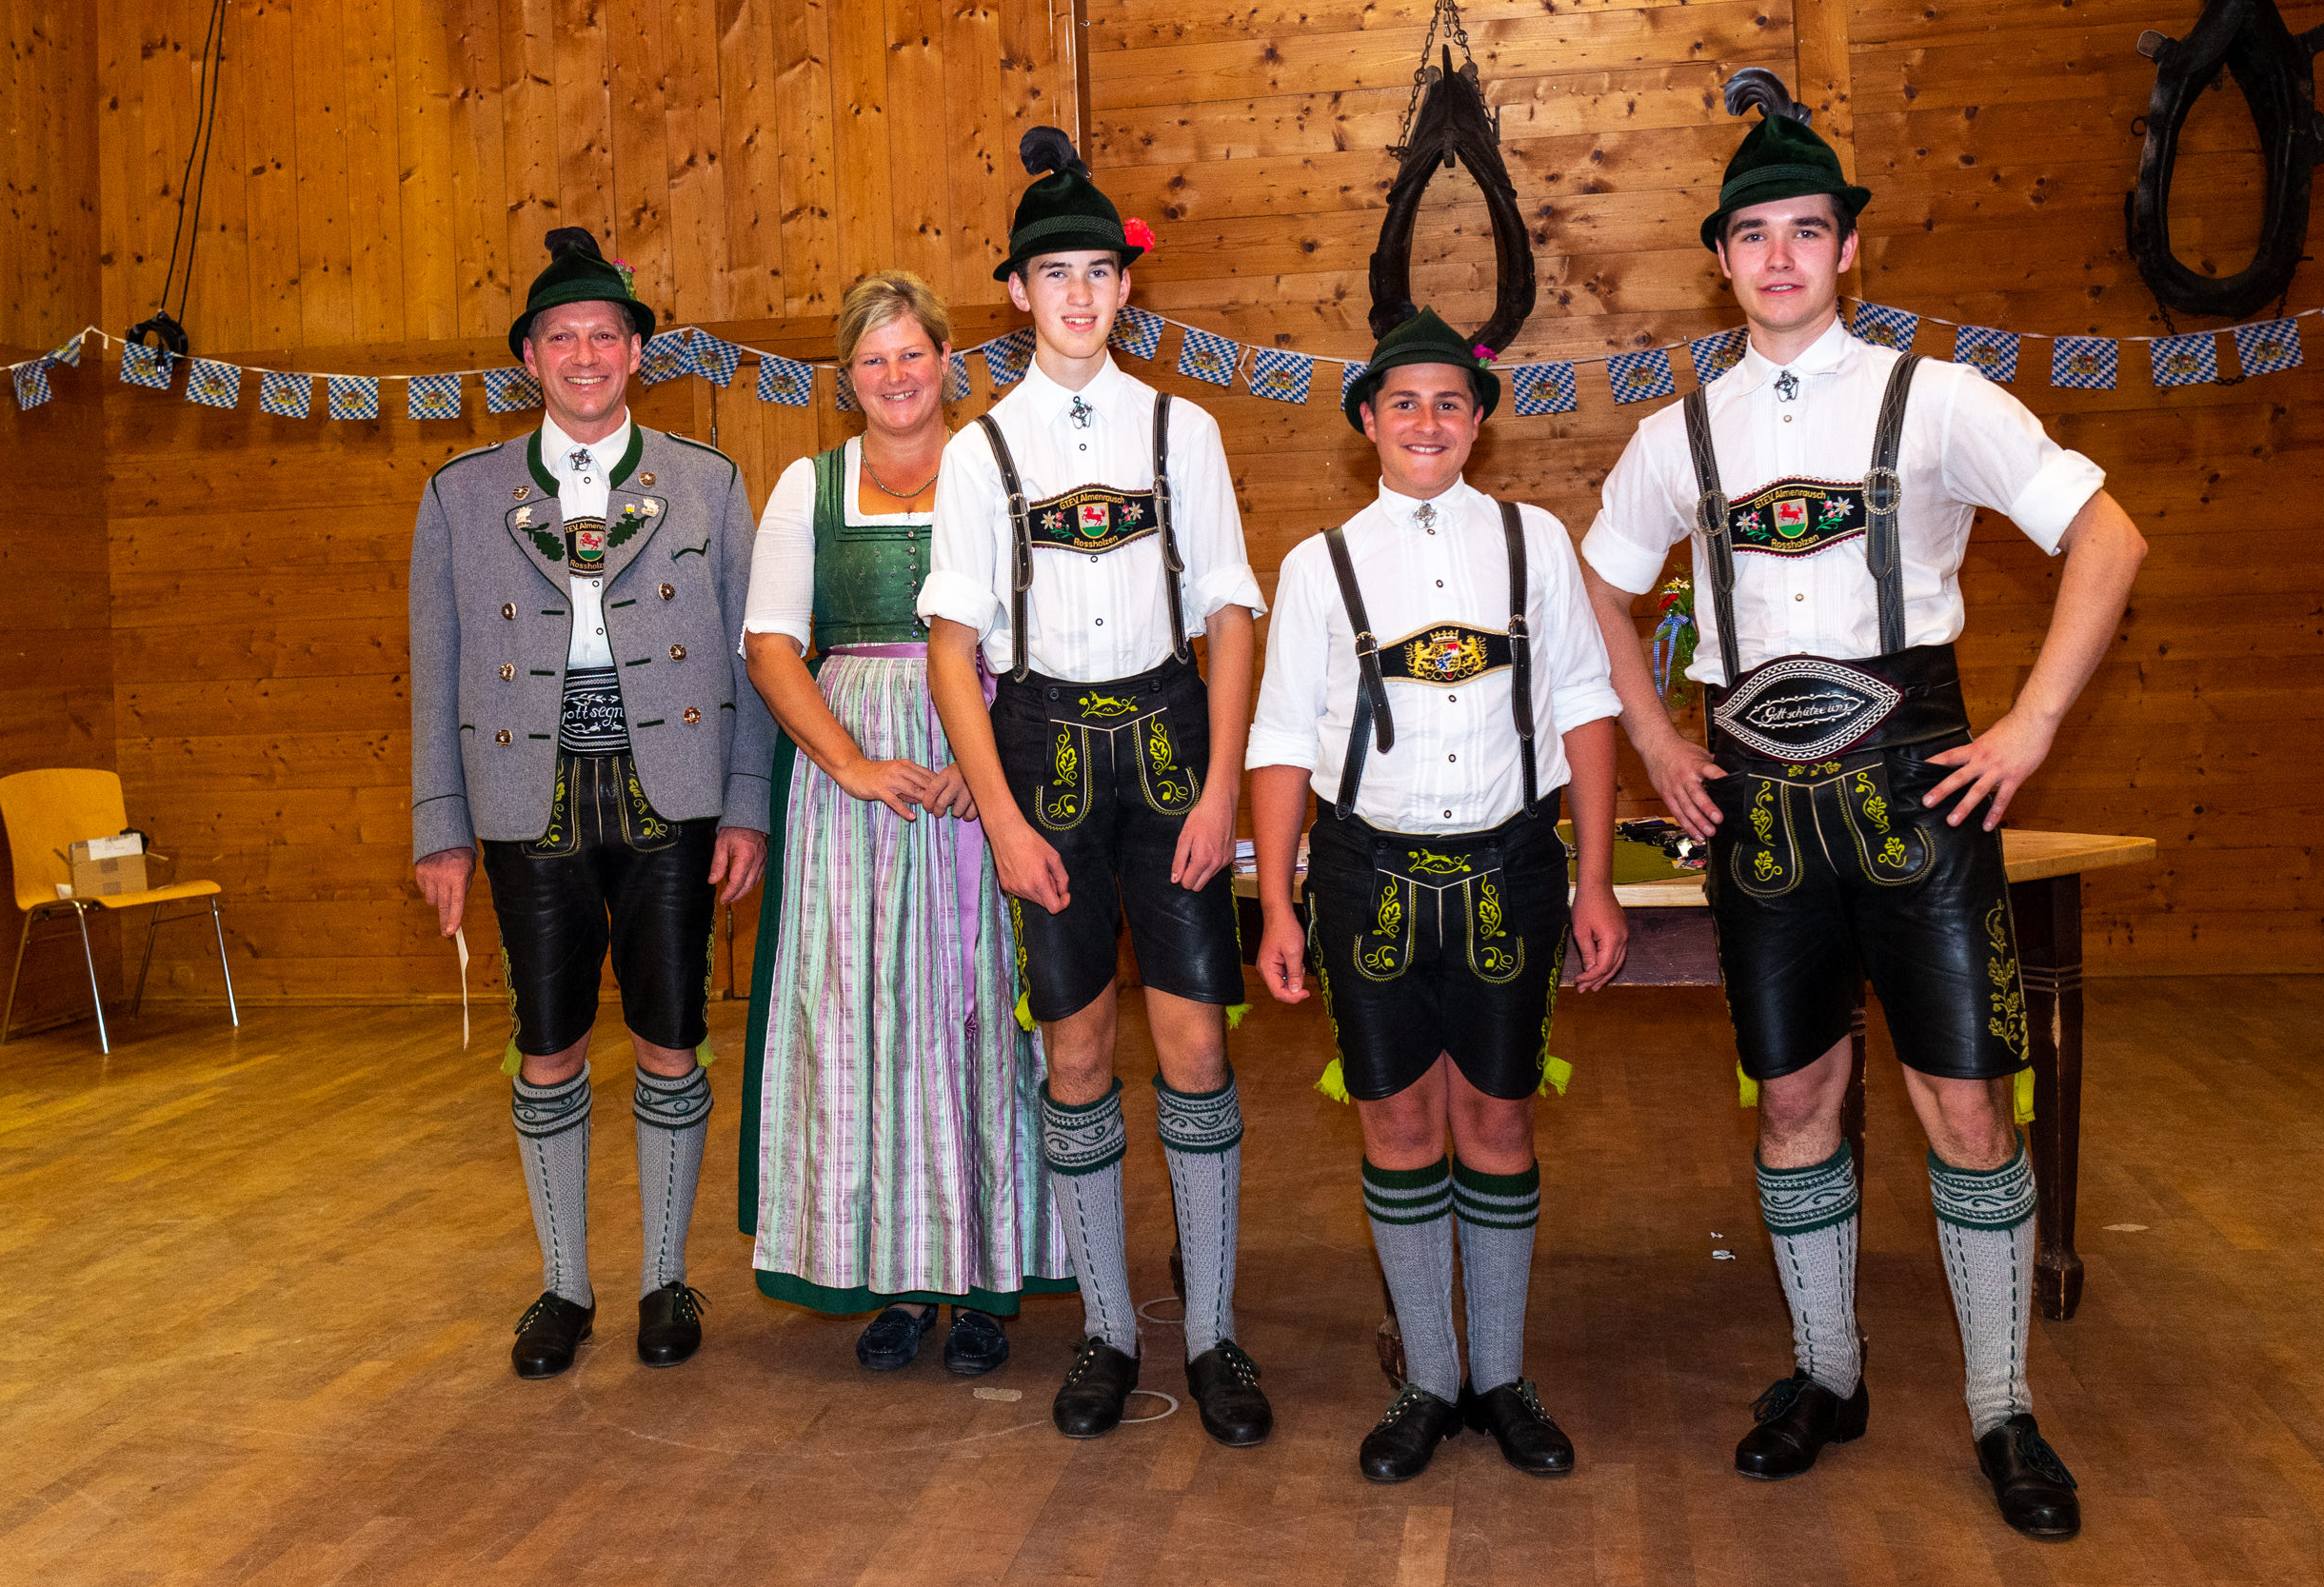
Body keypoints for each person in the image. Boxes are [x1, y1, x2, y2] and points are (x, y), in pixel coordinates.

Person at [1578, 71, 2146, 1537]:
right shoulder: (1678, 436)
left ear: (1846, 248)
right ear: (1722, 257)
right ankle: (1827, 1372)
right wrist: (1657, 735)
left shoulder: (1936, 398)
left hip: (1921, 788)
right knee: (1796, 1097)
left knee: (1966, 1100)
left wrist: (2031, 722)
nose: (1779, 256)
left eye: (1806, 229)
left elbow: (2108, 537)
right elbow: (1598, 585)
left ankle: (2004, 1406)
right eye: (1753, 233)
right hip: (1759, 808)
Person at [919, 128, 1272, 1447]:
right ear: (1017, 291)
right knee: (1074, 1050)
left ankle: (1214, 1328)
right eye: (1052, 273)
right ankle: (1110, 1329)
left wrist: (1223, 787)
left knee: (1196, 1044)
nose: (1077, 294)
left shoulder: (1184, 427)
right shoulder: (978, 451)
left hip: (1173, 747)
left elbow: (1229, 612)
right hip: (1044, 758)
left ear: (1127, 286)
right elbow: (952, 648)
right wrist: (1005, 818)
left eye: (1098, 272)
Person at [1247, 308, 1629, 1482]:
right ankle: (1427, 1375)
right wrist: (1277, 903)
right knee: (1399, 1124)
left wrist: (1597, 878)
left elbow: (1585, 705)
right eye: (1404, 401)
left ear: (1477, 422)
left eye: (1449, 402)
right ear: (1366, 418)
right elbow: (1279, 739)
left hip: (1511, 867)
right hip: (1364, 873)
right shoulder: (1316, 564)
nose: (1426, 421)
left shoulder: (1534, 542)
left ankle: (1500, 1376)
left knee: (1498, 1121)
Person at [409, 227, 774, 1379]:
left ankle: (665, 1276)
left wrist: (748, 803)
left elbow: (754, 653)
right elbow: (433, 665)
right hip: (525, 792)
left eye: (604, 336)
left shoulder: (708, 480)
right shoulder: (459, 493)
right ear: (529, 356)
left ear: (635, 353)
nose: (583, 355)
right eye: (560, 337)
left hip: (676, 789)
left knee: (671, 1033)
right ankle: (565, 1284)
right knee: (549, 1041)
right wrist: (439, 823)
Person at [740, 270, 1073, 1375]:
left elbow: (1041, 625)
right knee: (862, 1013)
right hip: (854, 787)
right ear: (848, 378)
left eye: (911, 353)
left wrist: (988, 768)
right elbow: (771, 643)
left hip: (982, 754)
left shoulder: (996, 471)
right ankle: (895, 1274)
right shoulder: (809, 484)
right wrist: (852, 763)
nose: (894, 376)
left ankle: (981, 1276)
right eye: (872, 359)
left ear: (946, 362)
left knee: (978, 1011)